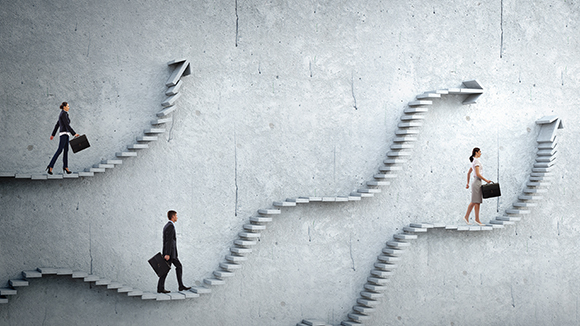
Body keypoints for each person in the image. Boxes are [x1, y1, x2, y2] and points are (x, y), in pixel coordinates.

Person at [157, 210, 191, 293]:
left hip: (172, 253)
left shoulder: (167, 226)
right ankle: (162, 288)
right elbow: (168, 241)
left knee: (173, 268)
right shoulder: (170, 226)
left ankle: (180, 286)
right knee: (167, 269)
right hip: (170, 254)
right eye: (176, 215)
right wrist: (167, 254)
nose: (177, 217)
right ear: (172, 217)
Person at [46, 102, 79, 175]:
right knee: (60, 150)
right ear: (64, 107)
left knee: (66, 150)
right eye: (68, 106)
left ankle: (65, 167)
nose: (69, 107)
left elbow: (57, 124)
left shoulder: (64, 114)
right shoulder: (63, 114)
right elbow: (67, 125)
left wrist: (53, 134)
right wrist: (74, 133)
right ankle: (50, 166)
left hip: (66, 134)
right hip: (64, 134)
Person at [463, 147, 491, 225]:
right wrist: (486, 180)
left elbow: (469, 173)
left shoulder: (474, 161)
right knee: (474, 201)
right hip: (477, 182)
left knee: (477, 202)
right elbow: (478, 174)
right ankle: (467, 217)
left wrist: (468, 183)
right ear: (476, 152)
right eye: (480, 152)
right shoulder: (476, 161)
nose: (480, 153)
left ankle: (476, 219)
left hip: (476, 182)